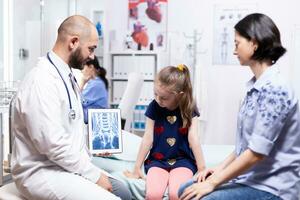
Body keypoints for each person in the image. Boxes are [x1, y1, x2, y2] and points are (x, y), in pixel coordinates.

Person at [179, 13, 300, 200]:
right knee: (186, 188)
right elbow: (244, 147)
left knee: (199, 197)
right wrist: (217, 170)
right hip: (251, 179)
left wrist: (213, 183)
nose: (234, 51)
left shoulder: (275, 89)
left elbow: (255, 154)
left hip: (273, 187)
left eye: (237, 44)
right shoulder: (255, 87)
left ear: (254, 43)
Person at [11, 15, 131, 200]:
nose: (92, 56)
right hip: (42, 172)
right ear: (73, 42)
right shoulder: (41, 81)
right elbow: (53, 144)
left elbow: (71, 124)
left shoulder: (65, 75)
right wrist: (94, 175)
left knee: (123, 190)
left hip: (64, 165)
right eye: (90, 49)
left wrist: (93, 146)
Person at [124, 64, 206, 200]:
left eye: (163, 97)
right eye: (155, 94)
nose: (158, 99)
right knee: (153, 194)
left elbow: (194, 138)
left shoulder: (189, 107)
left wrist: (202, 168)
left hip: (183, 161)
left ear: (179, 95)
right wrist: (137, 167)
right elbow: (148, 137)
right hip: (158, 161)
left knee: (176, 193)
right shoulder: (154, 106)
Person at [80, 56, 109, 124]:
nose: (81, 71)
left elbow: (76, 101)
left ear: (91, 67)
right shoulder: (97, 82)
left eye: (83, 67)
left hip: (93, 122)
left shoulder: (96, 84)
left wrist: (82, 82)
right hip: (93, 120)